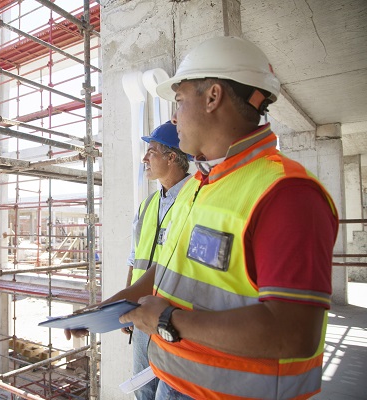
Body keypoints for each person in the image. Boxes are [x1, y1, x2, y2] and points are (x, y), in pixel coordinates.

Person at [67, 36, 338, 400]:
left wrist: (165, 320)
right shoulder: (201, 184)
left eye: (179, 100)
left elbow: (294, 333)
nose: (174, 116)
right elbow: (169, 273)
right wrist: (112, 306)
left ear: (213, 97)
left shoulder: (286, 193)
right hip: (177, 379)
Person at [124, 122, 190, 400]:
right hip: (141, 315)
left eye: (151, 151)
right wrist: (124, 304)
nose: (144, 159)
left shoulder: (197, 198)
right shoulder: (148, 204)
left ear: (172, 157)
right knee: (143, 390)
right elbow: (134, 258)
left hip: (175, 319)